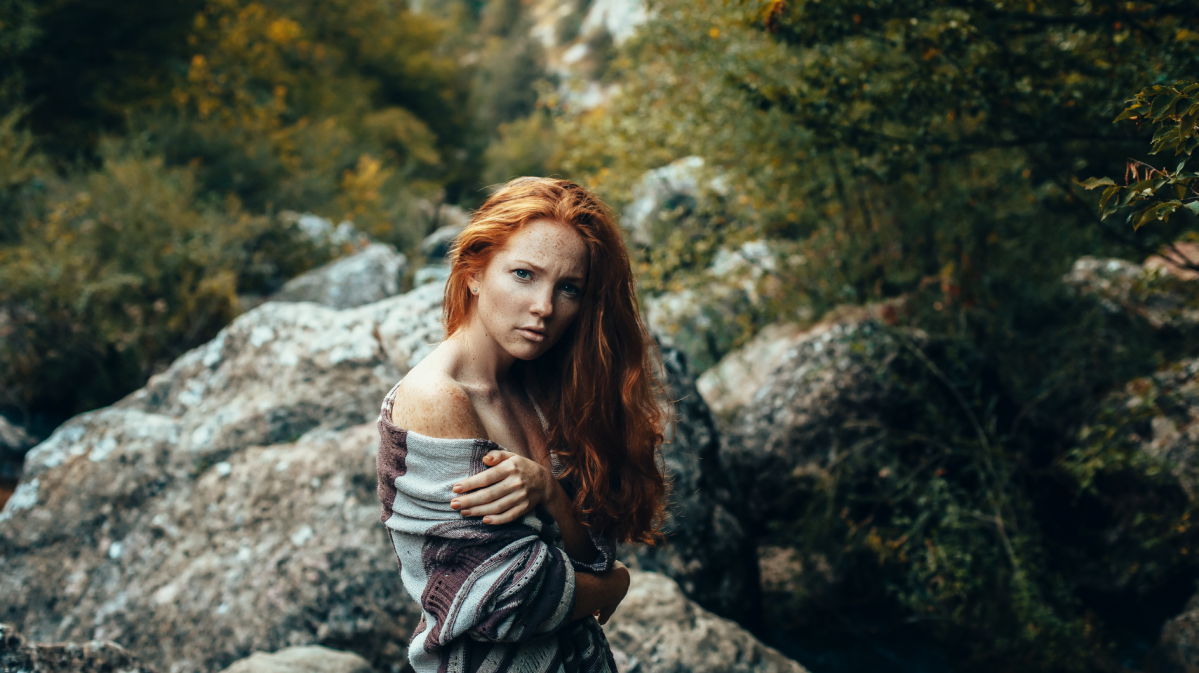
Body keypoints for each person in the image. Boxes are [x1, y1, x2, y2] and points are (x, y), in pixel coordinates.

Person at [375, 177, 669, 673]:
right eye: (524, 275)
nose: (545, 308)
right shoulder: (437, 399)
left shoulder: (536, 387)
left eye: (568, 288)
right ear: (473, 271)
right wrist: (613, 585)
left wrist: (549, 492)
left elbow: (595, 548)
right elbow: (504, 603)